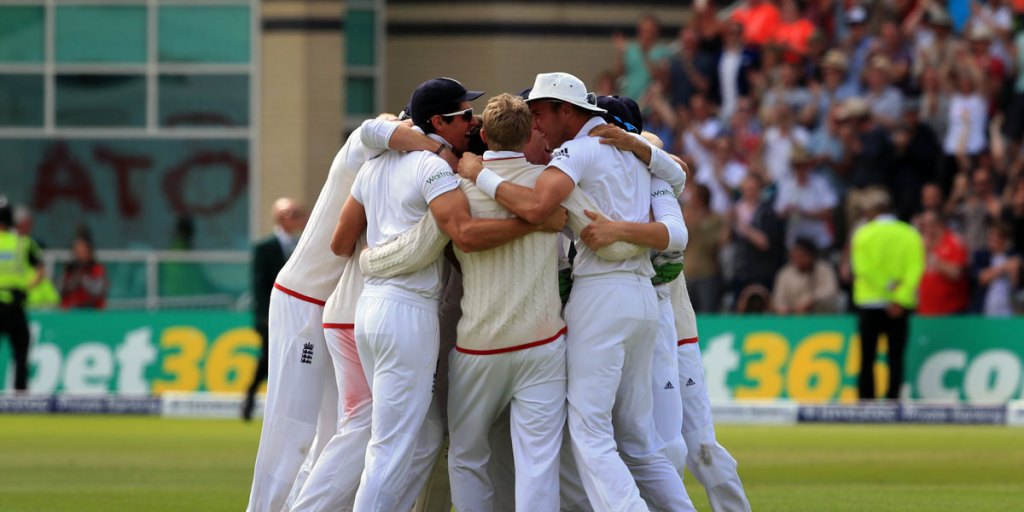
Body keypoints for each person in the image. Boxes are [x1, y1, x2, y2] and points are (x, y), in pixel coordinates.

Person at [457, 72, 692, 511]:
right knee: (639, 440)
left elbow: (534, 207)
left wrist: (478, 174)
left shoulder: (575, 151)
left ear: (567, 111)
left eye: (541, 113)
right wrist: (644, 146)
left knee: (590, 433)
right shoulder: (630, 151)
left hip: (601, 296)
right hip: (642, 300)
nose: (537, 124)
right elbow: (677, 179)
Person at [330, 77, 564, 511]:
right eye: (464, 115)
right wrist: (534, 223)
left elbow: (341, 243)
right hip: (408, 310)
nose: (473, 122)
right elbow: (465, 233)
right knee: (392, 445)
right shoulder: (436, 168)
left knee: (426, 436)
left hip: (371, 309)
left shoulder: (375, 164)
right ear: (438, 120)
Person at [246, 111, 461, 512]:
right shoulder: (369, 146)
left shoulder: (391, 163)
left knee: (336, 433)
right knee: (291, 431)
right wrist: (434, 146)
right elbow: (374, 126)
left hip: (336, 304)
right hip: (304, 297)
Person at [850, 190, 924, 400]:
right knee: (895, 357)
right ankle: (893, 402)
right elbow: (915, 268)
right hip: (900, 306)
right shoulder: (910, 233)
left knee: (867, 357)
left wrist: (885, 287)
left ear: (874, 210)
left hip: (870, 303)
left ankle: (866, 402)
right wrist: (898, 297)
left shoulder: (863, 233)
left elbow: (863, 268)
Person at [242, 198, 307, 421]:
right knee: (270, 358)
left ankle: (279, 403)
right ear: (282, 217)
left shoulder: (301, 245)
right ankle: (256, 398)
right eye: (295, 213)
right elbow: (258, 284)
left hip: (296, 315)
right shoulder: (265, 247)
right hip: (272, 315)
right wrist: (263, 316)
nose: (300, 217)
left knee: (289, 358)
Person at [0, 196, 43, 392]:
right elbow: (40, 271)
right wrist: (26, 286)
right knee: (21, 352)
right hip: (15, 305)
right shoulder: (22, 242)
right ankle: (21, 396)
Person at [916, 211, 969, 316]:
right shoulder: (921, 244)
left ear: (938, 224)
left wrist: (932, 258)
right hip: (925, 311)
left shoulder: (953, 241)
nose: (925, 230)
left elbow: (956, 273)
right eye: (922, 226)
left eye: (928, 225)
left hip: (950, 311)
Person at [771, 236, 840, 314]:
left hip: (822, 316)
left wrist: (811, 299)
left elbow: (832, 290)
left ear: (811, 256)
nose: (798, 259)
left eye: (801, 256)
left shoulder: (824, 269)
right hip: (794, 318)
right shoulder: (785, 273)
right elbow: (778, 298)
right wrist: (782, 307)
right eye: (794, 257)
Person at [59, 229, 108, 309]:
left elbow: (98, 291)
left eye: (82, 251)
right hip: (72, 310)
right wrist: (73, 281)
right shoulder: (70, 268)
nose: (79, 254)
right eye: (76, 251)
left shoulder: (97, 268)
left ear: (89, 251)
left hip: (92, 310)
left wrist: (82, 279)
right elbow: (61, 290)